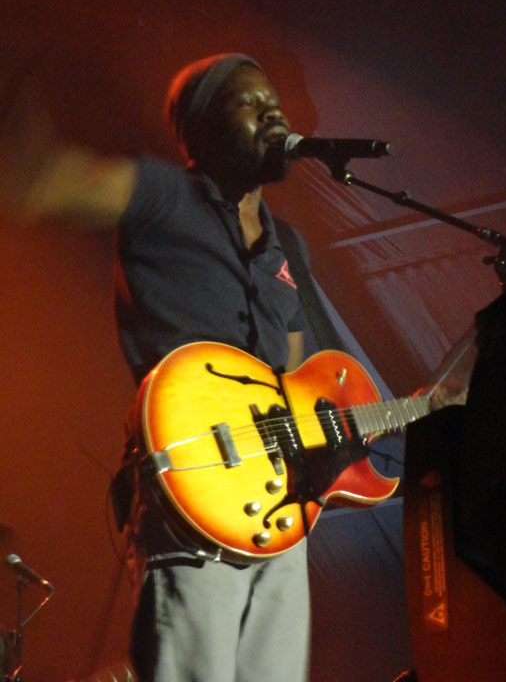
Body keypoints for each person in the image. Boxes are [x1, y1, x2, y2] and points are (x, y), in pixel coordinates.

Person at [2, 52, 312, 682]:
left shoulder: (287, 245)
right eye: (248, 102)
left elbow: (297, 374)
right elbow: (34, 183)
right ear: (200, 131)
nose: (272, 111)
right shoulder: (164, 193)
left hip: (276, 507)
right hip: (192, 486)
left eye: (274, 100)